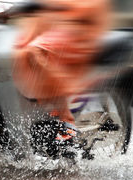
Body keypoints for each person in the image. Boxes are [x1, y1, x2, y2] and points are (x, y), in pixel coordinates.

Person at [13, 0, 112, 141]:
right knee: (19, 52)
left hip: (81, 31)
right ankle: (44, 106)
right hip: (56, 28)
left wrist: (56, 6)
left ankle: (66, 119)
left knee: (35, 51)